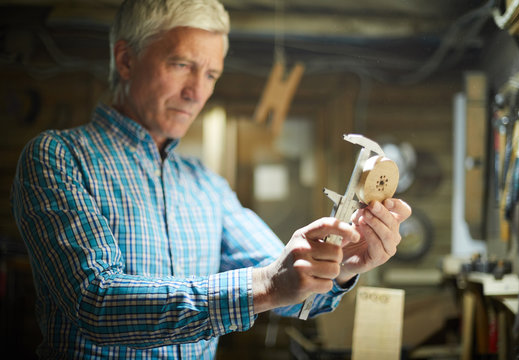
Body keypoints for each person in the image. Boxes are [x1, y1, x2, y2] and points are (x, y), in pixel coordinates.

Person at [10, 0, 411, 358]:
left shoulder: (206, 185)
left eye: (211, 74)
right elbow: (95, 304)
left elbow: (284, 282)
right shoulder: (59, 158)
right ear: (126, 61)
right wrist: (267, 285)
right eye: (181, 65)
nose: (196, 93)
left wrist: (341, 265)